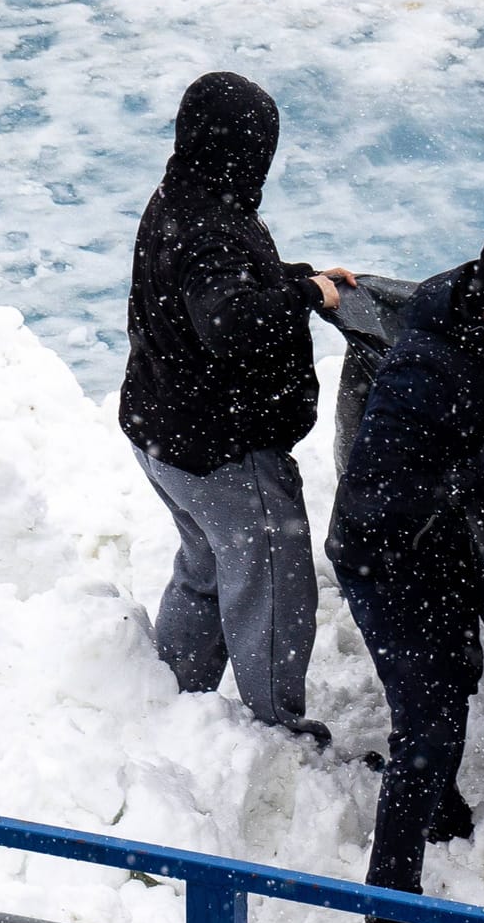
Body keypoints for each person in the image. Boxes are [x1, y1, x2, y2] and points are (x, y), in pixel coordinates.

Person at [325, 231, 484, 923]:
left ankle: (437, 805)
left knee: (457, 676)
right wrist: (483, 460)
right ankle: (387, 919)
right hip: (382, 557)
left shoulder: (482, 320)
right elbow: (384, 495)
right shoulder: (424, 375)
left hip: (438, 549)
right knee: (425, 726)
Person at [119, 70, 355, 739]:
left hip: (165, 437)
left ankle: (172, 699)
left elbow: (212, 291)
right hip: (222, 449)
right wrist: (305, 297)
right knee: (273, 586)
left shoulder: (179, 198)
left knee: (209, 569)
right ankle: (276, 731)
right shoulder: (212, 227)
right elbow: (226, 320)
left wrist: (294, 278)